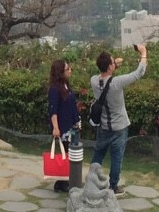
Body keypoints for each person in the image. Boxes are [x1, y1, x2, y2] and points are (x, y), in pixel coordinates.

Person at [89, 43, 147, 197]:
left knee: (98, 154)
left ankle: (92, 181)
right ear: (109, 66)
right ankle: (113, 186)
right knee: (116, 158)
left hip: (103, 126)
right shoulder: (117, 82)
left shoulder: (94, 81)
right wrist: (143, 53)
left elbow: (104, 77)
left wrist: (113, 64)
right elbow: (139, 73)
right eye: (112, 61)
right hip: (119, 127)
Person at [48, 57, 81, 149]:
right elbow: (53, 109)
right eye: (67, 69)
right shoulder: (54, 89)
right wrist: (56, 128)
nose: (70, 71)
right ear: (60, 72)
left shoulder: (66, 86)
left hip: (72, 125)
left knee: (75, 151)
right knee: (67, 151)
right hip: (64, 128)